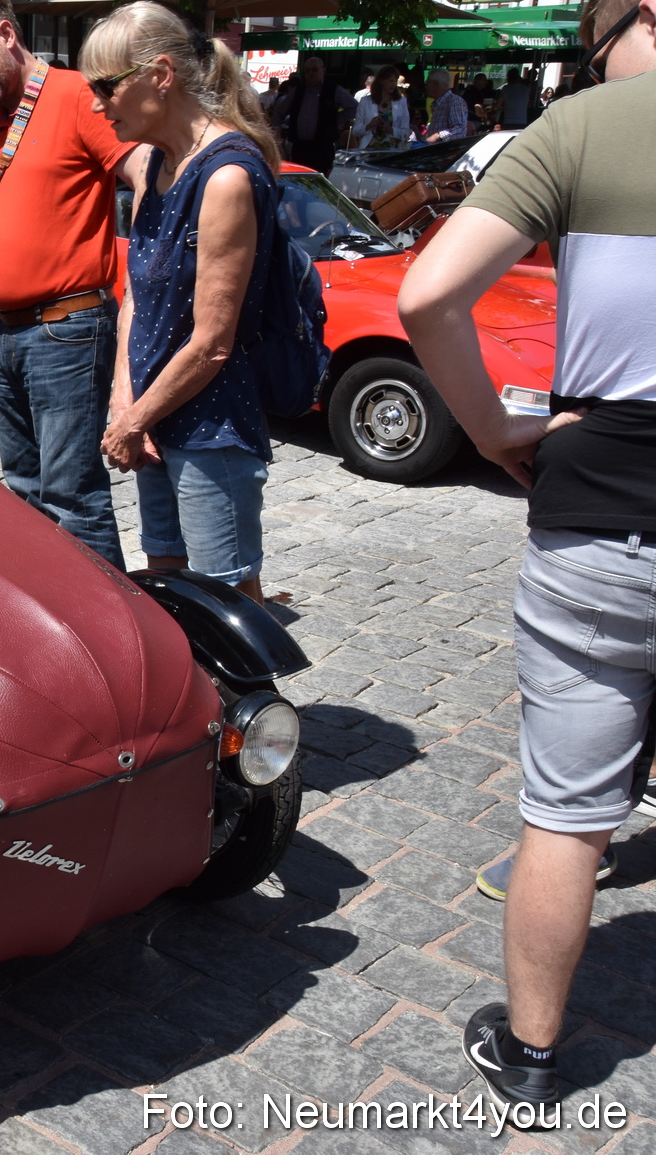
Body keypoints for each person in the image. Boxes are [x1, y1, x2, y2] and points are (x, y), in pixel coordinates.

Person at [398, 0, 656, 1121]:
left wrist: (495, 432)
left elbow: (424, 294)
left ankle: (536, 1060)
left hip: (601, 502)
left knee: (566, 810)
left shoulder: (586, 128)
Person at [0, 0, 141, 569]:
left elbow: (143, 170)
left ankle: (118, 638)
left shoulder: (76, 94)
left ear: (6, 34)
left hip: (64, 329)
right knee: (24, 493)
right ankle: (62, 626)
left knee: (72, 496)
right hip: (7, 337)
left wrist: (149, 275)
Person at [84, 3, 280, 604]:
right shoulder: (159, 166)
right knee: (168, 584)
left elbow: (213, 341)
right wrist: (125, 400)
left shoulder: (226, 176)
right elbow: (136, 299)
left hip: (210, 426)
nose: (97, 104)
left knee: (228, 603)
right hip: (155, 418)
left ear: (160, 75)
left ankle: (246, 702)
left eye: (106, 86)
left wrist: (134, 418)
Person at [272, 56, 352, 174]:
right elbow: (280, 112)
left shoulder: (332, 89)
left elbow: (353, 106)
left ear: (323, 70)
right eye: (307, 71)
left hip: (322, 146)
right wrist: (276, 133)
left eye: (314, 70)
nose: (311, 73)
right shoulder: (299, 90)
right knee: (299, 178)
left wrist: (335, 121)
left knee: (320, 179)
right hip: (300, 146)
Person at [350, 64, 410, 149]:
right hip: (369, 150)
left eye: (395, 81)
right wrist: (369, 125)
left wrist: (391, 130)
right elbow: (355, 131)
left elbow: (406, 132)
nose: (393, 84)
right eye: (390, 81)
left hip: (393, 151)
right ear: (381, 81)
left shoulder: (401, 102)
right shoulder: (365, 101)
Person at [424, 68, 468, 141]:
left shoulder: (454, 102)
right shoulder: (438, 104)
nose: (426, 87)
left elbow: (460, 130)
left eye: (427, 83)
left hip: (448, 151)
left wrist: (438, 136)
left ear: (435, 84)